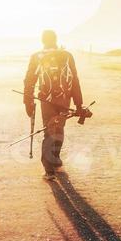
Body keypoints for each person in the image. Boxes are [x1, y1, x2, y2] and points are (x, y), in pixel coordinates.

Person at [23, 30, 91, 178]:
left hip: (46, 101)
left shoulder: (36, 56)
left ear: (42, 40)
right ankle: (56, 161)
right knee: (59, 128)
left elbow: (29, 81)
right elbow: (74, 80)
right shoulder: (67, 56)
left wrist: (28, 101)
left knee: (49, 130)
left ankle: (49, 168)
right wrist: (79, 104)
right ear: (55, 39)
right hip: (64, 99)